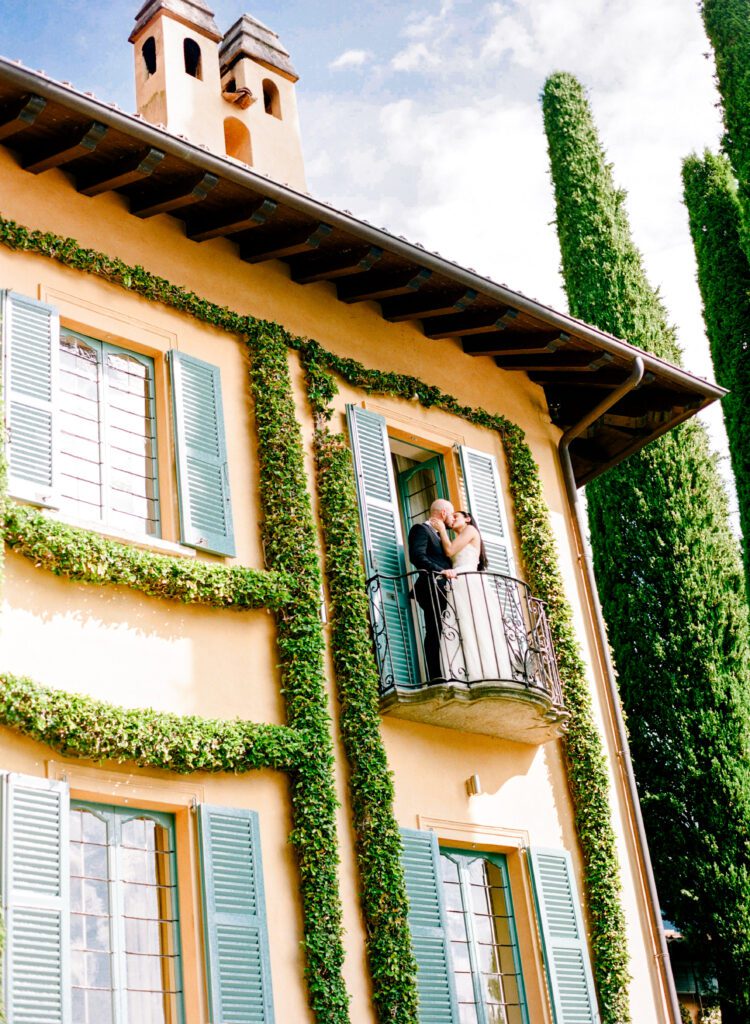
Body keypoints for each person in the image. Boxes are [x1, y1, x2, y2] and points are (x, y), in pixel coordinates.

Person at [434, 510, 512, 682]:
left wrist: (441, 529)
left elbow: (450, 551)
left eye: (456, 516)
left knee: (477, 623)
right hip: (459, 582)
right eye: (451, 517)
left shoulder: (470, 530)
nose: (452, 519)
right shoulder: (457, 537)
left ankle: (487, 671)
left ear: (467, 519)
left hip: (469, 580)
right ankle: (468, 670)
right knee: (464, 626)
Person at [407, 499, 457, 682]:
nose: (452, 519)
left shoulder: (442, 536)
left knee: (448, 630)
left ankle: (450, 671)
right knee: (435, 630)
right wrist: (440, 571)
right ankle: (436, 677)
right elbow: (417, 556)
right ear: (443, 513)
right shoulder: (421, 529)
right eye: (451, 515)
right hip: (430, 587)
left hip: (445, 589)